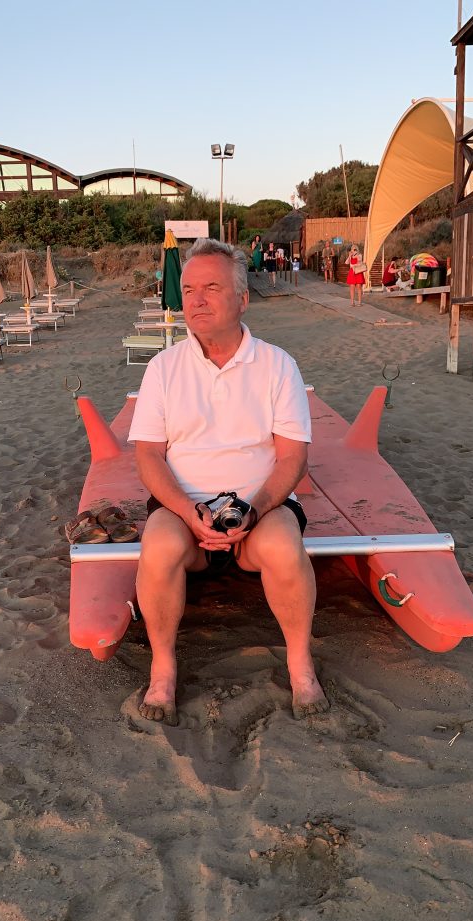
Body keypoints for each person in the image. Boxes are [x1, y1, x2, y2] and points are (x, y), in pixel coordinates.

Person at [128, 238, 329, 725]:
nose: (196, 300)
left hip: (261, 508)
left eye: (211, 288)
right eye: (188, 290)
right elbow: (148, 456)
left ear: (242, 299)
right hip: (183, 509)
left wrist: (255, 510)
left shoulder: (277, 365)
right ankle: (163, 668)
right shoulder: (163, 368)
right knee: (158, 545)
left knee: (284, 546)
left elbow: (293, 458)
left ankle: (300, 665)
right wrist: (187, 510)